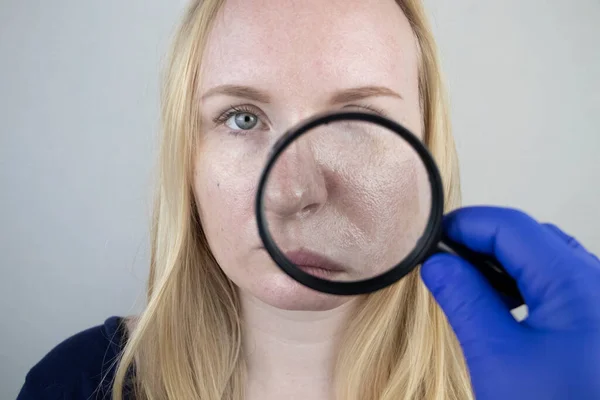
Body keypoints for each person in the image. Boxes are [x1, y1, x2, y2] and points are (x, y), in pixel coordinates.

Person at [16, 0, 600, 399]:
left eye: (358, 120)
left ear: (425, 146)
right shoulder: (77, 384)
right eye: (242, 117)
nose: (297, 192)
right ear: (186, 157)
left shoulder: (521, 383)